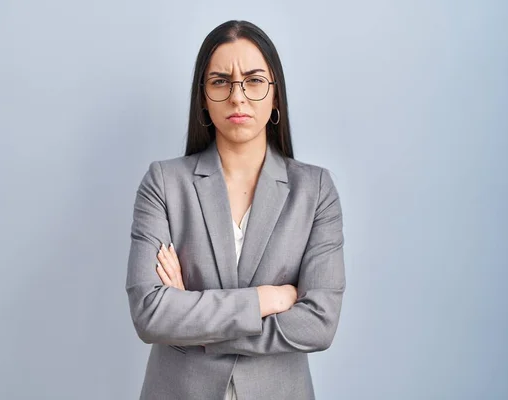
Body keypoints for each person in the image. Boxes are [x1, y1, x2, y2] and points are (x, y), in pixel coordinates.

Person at [126, 20, 345, 400]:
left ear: (275, 96)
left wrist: (194, 322)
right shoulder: (163, 183)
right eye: (220, 81)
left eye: (255, 80)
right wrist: (266, 299)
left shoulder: (316, 190)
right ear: (203, 98)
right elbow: (150, 313)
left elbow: (319, 324)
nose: (238, 97)